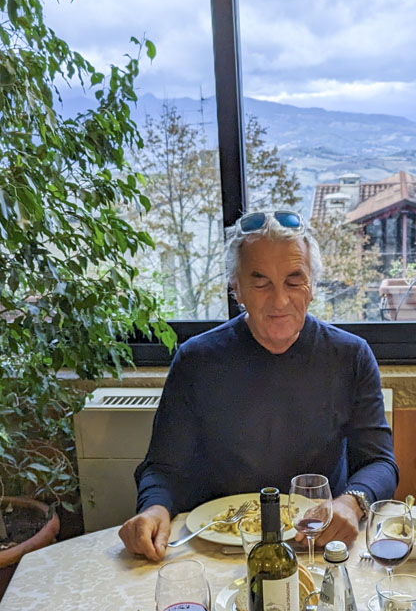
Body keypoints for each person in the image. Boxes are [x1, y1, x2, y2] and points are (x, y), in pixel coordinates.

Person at [121, 209, 399, 561]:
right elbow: (163, 467)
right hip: (220, 545)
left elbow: (379, 463)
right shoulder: (196, 360)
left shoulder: (350, 355)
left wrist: (352, 501)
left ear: (312, 284)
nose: (280, 300)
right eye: (261, 281)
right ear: (236, 288)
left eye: (294, 280)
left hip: (312, 541)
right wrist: (155, 509)